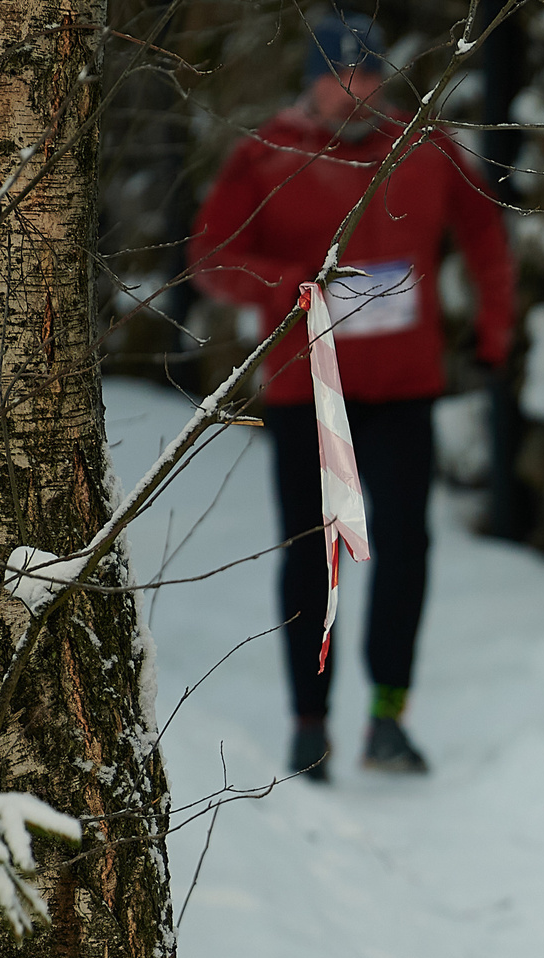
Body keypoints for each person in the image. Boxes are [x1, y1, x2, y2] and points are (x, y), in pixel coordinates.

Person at [190, 9, 514, 781]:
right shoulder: (266, 155)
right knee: (315, 555)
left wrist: (494, 333)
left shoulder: (425, 147)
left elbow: (486, 236)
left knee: (406, 552)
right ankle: (310, 725)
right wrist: (292, 287)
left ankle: (388, 719)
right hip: (308, 392)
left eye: (367, 74)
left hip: (405, 389)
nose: (355, 90)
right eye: (339, 76)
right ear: (311, 83)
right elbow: (210, 257)